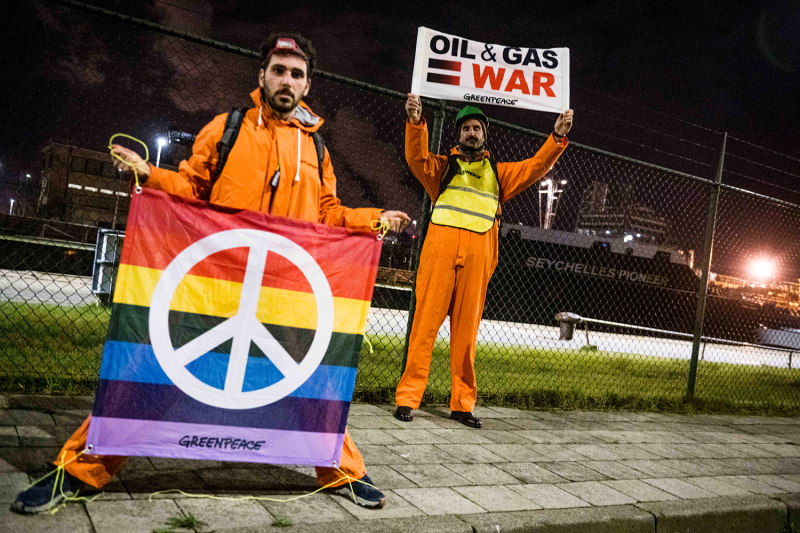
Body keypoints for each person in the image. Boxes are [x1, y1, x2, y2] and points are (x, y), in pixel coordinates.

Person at [13, 33, 409, 514]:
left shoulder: (318, 147)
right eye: (279, 69)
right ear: (261, 75)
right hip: (214, 283)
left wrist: (374, 220)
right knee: (151, 375)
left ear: (308, 84)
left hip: (284, 291)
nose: (287, 80)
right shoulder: (227, 127)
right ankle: (79, 471)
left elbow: (328, 212)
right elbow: (191, 186)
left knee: (309, 384)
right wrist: (149, 174)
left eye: (297, 73)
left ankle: (341, 471)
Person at [394, 94, 573, 428]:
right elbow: (415, 157)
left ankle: (463, 405)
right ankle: (407, 399)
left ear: (484, 135)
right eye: (466, 129)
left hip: (476, 265)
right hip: (439, 260)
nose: (471, 133)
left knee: (466, 338)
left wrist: (556, 138)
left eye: (476, 128)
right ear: (458, 135)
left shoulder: (498, 174)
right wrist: (416, 121)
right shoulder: (441, 168)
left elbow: (535, 168)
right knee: (422, 331)